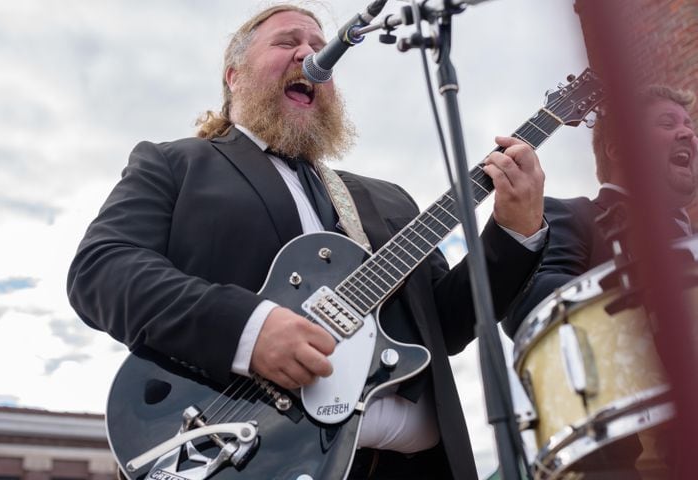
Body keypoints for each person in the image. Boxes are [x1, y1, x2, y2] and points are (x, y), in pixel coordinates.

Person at [67, 4, 547, 479]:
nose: (311, 54)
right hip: (249, 455)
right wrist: (249, 332)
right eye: (286, 42)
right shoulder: (176, 164)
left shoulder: (388, 200)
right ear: (233, 76)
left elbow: (445, 325)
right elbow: (102, 269)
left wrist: (514, 230)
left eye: (319, 47)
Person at [504, 84, 697, 338]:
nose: (688, 133)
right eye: (667, 123)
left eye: (690, 126)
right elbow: (527, 301)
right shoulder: (575, 216)